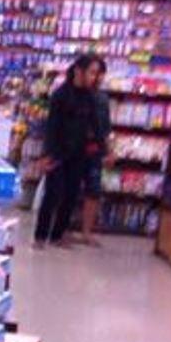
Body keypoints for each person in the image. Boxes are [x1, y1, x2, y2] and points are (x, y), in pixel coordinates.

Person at [33, 56, 102, 249]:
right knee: (52, 194)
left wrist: (101, 147)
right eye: (92, 72)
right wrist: (47, 154)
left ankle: (57, 235)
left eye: (96, 73)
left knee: (71, 195)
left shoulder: (90, 97)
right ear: (79, 71)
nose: (94, 77)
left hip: (79, 153)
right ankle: (40, 236)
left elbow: (95, 125)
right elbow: (51, 126)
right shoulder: (60, 95)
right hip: (57, 152)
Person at [78, 58, 113, 247]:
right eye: (93, 72)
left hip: (94, 151)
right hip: (74, 149)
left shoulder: (102, 99)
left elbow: (106, 128)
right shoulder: (74, 94)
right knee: (68, 189)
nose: (96, 77)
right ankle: (61, 229)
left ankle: (86, 232)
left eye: (100, 74)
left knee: (93, 191)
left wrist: (109, 151)